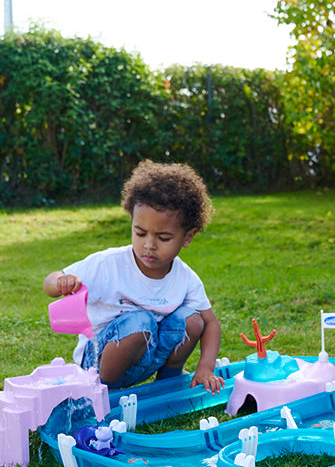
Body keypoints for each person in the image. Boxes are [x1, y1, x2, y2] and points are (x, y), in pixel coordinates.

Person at [43, 160, 223, 395]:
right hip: (99, 362)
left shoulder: (185, 278)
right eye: (140, 233)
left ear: (187, 237)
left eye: (163, 238)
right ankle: (108, 392)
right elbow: (49, 283)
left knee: (193, 320)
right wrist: (60, 281)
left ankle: (168, 383)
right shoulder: (108, 265)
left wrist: (206, 368)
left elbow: (211, 324)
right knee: (140, 322)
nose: (149, 245)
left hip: (149, 356)